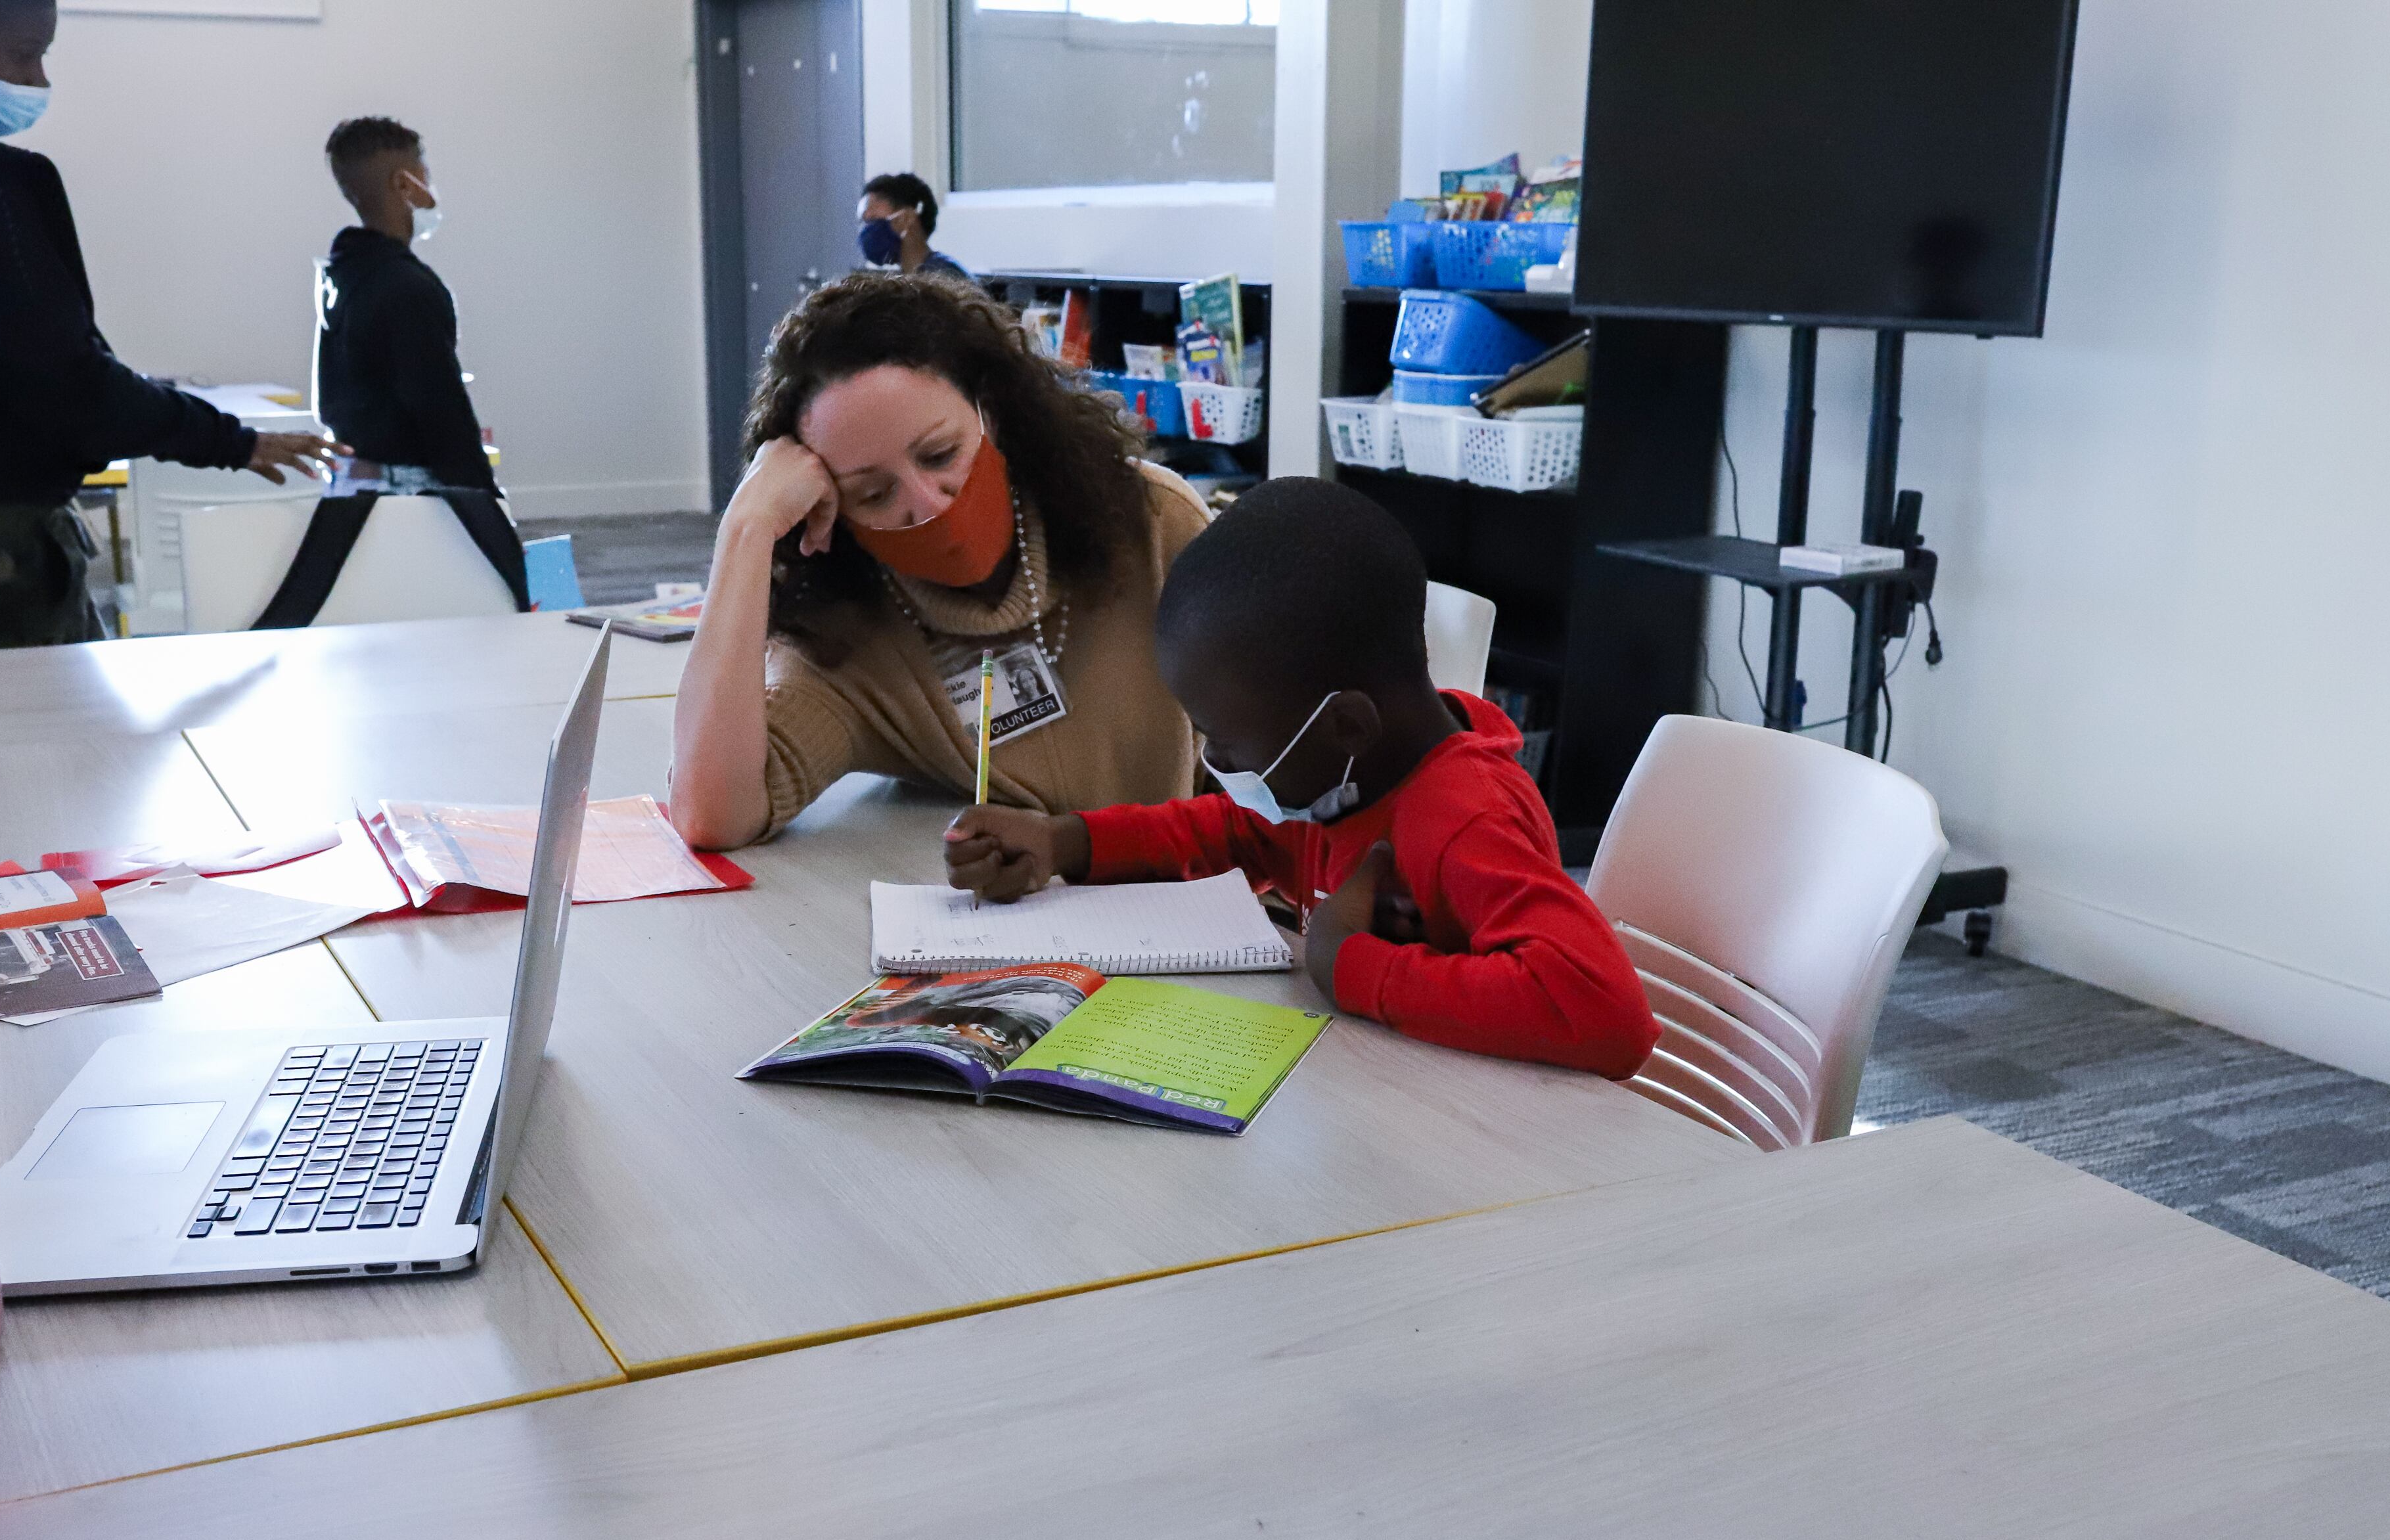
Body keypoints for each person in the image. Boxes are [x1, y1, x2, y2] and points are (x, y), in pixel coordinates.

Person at [941, 477, 1660, 1077]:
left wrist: (1350, 964)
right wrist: (1062, 842)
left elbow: (1603, 1011)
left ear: (1344, 724)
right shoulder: (1348, 780)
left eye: (1227, 741)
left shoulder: (1463, 817)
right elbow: (1229, 829)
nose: (1217, 767)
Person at [0, 0, 336, 654]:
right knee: (28, 747)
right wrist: (231, 441)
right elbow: (66, 384)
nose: (37, 80)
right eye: (24, 54)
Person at [669, 271, 1209, 850]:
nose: (927, 506)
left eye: (940, 454)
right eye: (872, 495)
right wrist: (747, 529)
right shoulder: (847, 641)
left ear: (991, 412)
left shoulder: (1151, 524)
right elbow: (711, 814)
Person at [318, 117, 496, 496]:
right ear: (403, 185)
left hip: (351, 480)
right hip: (406, 489)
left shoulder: (342, 273)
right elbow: (441, 412)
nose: (430, 192)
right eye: (424, 178)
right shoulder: (407, 288)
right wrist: (485, 503)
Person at [856, 173, 970, 280]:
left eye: (873, 221)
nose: (868, 231)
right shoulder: (911, 281)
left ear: (908, 218)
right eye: (864, 223)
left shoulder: (944, 279)